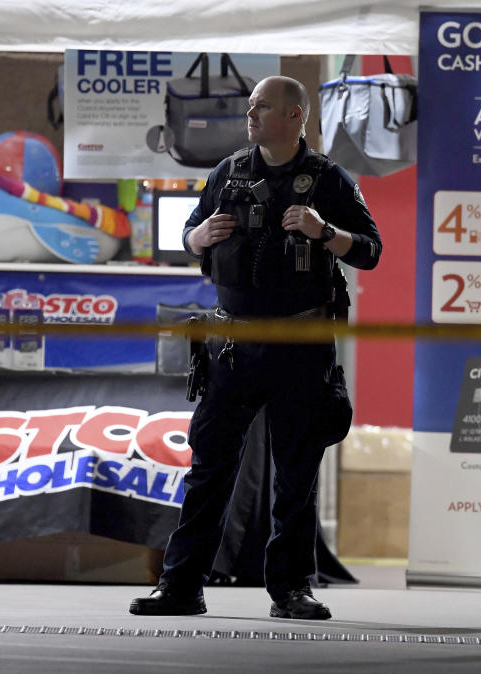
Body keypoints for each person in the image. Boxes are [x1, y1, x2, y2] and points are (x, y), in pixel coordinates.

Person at [130, 75, 382, 620]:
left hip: (299, 344)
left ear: (295, 116)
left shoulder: (328, 179)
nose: (251, 114)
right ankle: (181, 586)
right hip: (233, 344)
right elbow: (189, 234)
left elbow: (370, 250)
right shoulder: (229, 172)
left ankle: (291, 590)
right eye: (250, 106)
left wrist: (324, 232)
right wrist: (199, 238)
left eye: (262, 106)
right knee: (209, 468)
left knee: (296, 474)